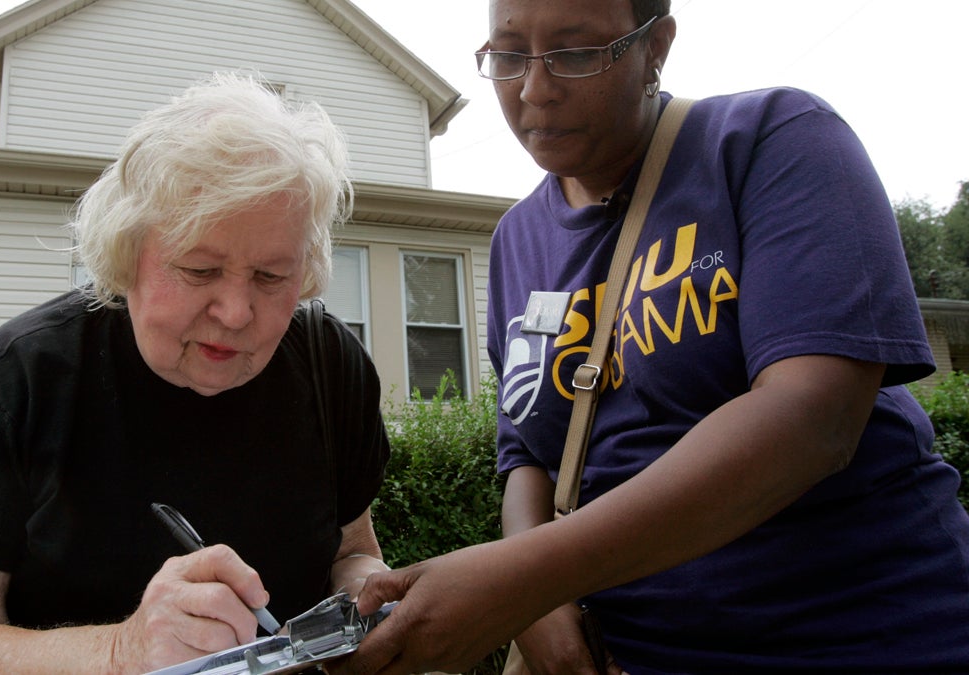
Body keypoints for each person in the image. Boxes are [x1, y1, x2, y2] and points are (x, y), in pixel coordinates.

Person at [333, 1, 969, 674]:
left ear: (656, 45)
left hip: (864, 640)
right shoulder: (517, 239)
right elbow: (527, 453)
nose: (535, 88)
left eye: (576, 53)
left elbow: (815, 415)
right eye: (510, 54)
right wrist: (540, 609)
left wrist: (522, 580)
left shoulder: (771, 140)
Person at [0, 72, 391, 674]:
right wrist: (122, 651)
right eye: (199, 270)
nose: (235, 312)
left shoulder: (331, 366)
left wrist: (369, 604)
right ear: (126, 255)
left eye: (271, 277)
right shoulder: (15, 385)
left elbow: (353, 553)